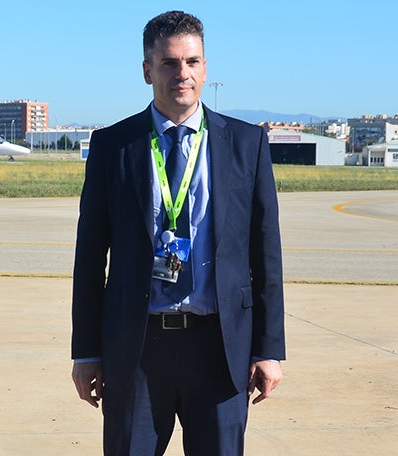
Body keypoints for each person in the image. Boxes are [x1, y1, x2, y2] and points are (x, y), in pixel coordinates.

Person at [70, 10, 285, 456]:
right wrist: (86, 351)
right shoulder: (113, 146)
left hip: (220, 347)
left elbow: (266, 255)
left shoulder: (247, 144)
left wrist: (268, 349)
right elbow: (89, 259)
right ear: (147, 70)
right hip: (137, 351)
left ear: (205, 69)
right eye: (168, 63)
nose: (181, 74)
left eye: (192, 62)